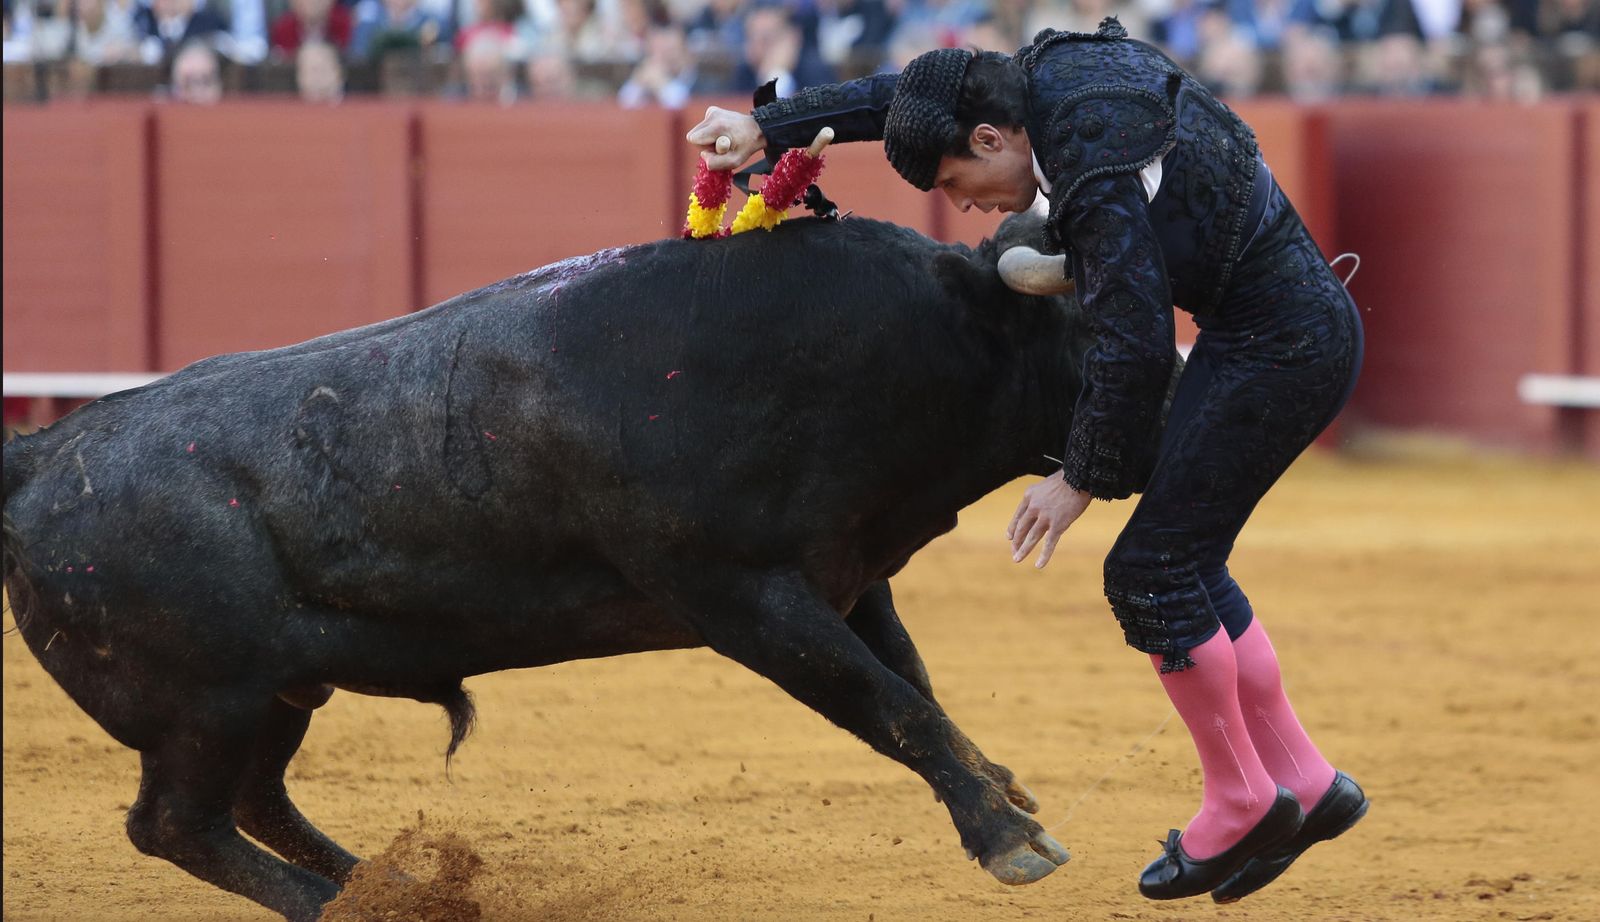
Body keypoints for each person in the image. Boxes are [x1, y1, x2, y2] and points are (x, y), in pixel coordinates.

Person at [687, 17, 1367, 904]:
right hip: (1274, 330)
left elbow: (1133, 342)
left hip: (1281, 350)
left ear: (990, 140)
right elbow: (910, 96)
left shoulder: (1090, 169)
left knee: (1154, 572)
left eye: (956, 183)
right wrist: (764, 127)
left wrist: (1078, 476)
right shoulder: (1034, 85)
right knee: (1187, 561)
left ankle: (1242, 799)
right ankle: (1305, 780)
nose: (966, 204)